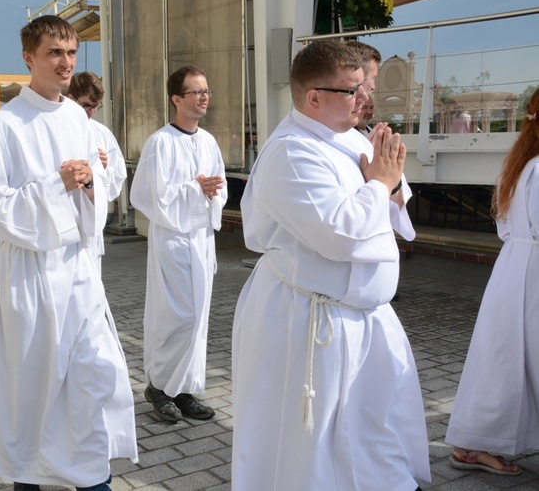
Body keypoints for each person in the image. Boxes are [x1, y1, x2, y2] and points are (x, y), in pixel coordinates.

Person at [231, 40, 430, 490]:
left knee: (371, 430)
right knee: (311, 446)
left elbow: (392, 209)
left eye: (363, 86)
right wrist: (379, 184)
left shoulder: (351, 137)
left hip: (362, 318)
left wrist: (391, 186)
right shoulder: (291, 151)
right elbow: (339, 234)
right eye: (352, 89)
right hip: (309, 322)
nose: (365, 98)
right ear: (314, 97)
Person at [0, 15, 137, 491]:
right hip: (29, 271)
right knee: (32, 384)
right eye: (54, 53)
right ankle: (29, 477)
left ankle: (91, 476)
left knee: (90, 375)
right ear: (29, 58)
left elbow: (100, 189)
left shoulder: (77, 119)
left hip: (78, 268)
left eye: (71, 53)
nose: (66, 63)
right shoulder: (6, 125)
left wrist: (90, 182)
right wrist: (56, 184)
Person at [443, 91, 539, 477]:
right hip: (530, 271)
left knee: (503, 358)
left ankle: (471, 443)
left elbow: (504, 226)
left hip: (515, 267)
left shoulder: (519, 163)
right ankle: (471, 444)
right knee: (512, 358)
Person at [130, 65, 227, 424]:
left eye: (206, 92)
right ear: (176, 99)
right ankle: (158, 387)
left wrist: (212, 192)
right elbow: (145, 195)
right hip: (173, 241)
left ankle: (184, 389)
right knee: (173, 317)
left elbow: (218, 186)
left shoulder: (208, 141)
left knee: (198, 317)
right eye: (196, 92)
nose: (203, 98)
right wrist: (193, 190)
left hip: (201, 240)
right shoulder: (161, 142)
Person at [67, 71, 127, 273]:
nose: (91, 112)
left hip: (92, 228)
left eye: (96, 106)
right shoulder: (57, 130)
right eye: (86, 105)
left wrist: (103, 170)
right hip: (66, 224)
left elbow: (118, 176)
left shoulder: (101, 133)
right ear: (70, 98)